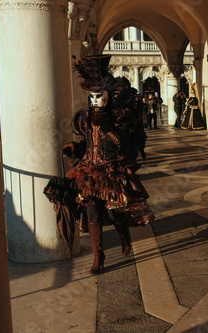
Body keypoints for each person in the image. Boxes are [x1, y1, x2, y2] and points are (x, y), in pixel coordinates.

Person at [56, 54, 155, 275]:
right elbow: (86, 143)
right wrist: (74, 148)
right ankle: (98, 257)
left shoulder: (119, 118)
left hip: (110, 171)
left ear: (108, 97)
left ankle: (123, 236)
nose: (94, 102)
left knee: (114, 212)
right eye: (91, 98)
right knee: (92, 211)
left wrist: (108, 127)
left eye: (99, 97)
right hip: (89, 172)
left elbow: (120, 143)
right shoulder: (85, 119)